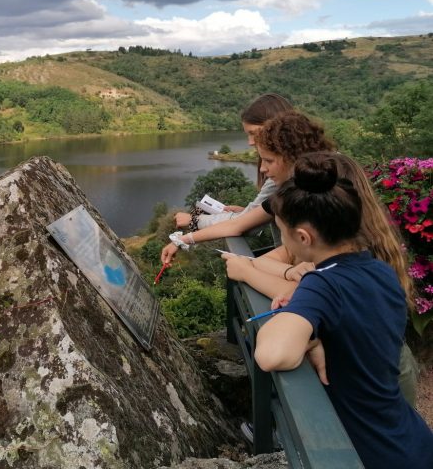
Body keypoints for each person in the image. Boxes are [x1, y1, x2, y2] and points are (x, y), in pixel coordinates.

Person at [253, 153, 433, 469]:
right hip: (410, 438)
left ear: (303, 236)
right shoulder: (379, 270)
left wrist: (297, 324)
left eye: (282, 230)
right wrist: (314, 332)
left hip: (373, 453)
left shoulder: (321, 283)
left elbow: (271, 354)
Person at [223, 152, 420, 405]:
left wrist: (301, 324)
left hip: (372, 409)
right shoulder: (371, 264)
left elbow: (272, 353)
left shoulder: (327, 278)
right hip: (394, 411)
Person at [160, 110, 334, 265]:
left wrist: (247, 271)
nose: (262, 169)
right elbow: (238, 224)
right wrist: (183, 240)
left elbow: (240, 226)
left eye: (269, 161)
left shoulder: (319, 199)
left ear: (292, 156)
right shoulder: (287, 192)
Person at [173, 93, 294, 231]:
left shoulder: (283, 173)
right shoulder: (297, 167)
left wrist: (193, 220)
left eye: (254, 133)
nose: (250, 142)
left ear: (276, 127)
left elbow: (243, 222)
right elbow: (252, 218)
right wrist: (249, 212)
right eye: (248, 134)